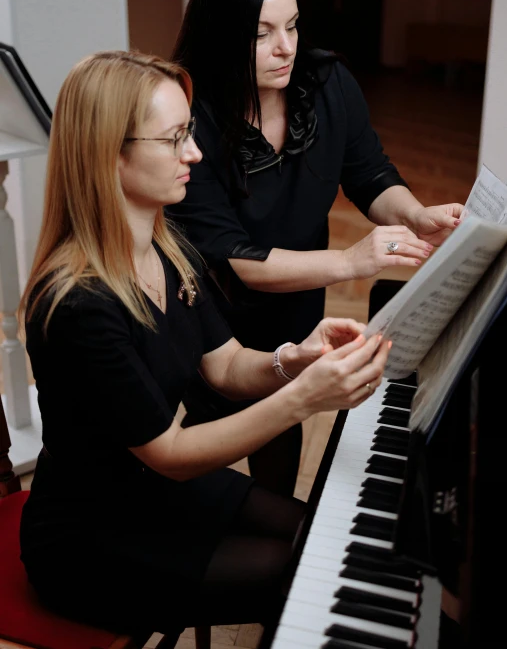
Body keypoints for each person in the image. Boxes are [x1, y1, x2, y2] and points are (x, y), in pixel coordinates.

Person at [18, 50, 390, 641]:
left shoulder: (168, 250)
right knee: (311, 573)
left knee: (323, 535)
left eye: (188, 132)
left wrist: (293, 361)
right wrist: (304, 400)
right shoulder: (77, 304)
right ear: (109, 155)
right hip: (91, 538)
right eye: (173, 139)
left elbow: (225, 366)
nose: (193, 153)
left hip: (156, 492)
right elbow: (169, 451)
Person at [169, 0, 464, 497]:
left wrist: (416, 214)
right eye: (261, 33)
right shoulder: (191, 119)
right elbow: (239, 261)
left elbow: (371, 174)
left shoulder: (326, 83)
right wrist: (352, 261)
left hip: (298, 299)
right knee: (208, 446)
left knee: (282, 433)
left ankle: (276, 535)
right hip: (215, 309)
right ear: (220, 34)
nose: (286, 48)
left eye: (293, 25)